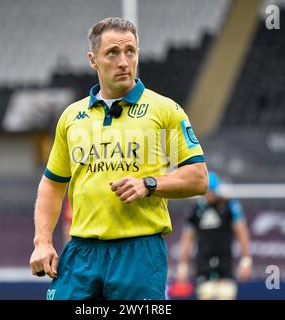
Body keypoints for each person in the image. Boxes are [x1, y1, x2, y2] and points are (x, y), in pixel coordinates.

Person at [29, 17, 208, 300]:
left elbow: (198, 178)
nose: (124, 61)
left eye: (130, 52)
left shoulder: (164, 111)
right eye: (112, 53)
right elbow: (52, 184)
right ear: (93, 59)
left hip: (139, 252)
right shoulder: (72, 117)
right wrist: (42, 242)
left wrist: (149, 184)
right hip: (82, 253)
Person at [176, 171, 252, 300]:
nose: (208, 195)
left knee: (226, 295)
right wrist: (182, 264)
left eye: (210, 191)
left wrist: (246, 260)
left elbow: (242, 232)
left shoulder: (229, 206)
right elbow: (187, 238)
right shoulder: (196, 210)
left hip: (225, 262)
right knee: (205, 293)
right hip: (203, 262)